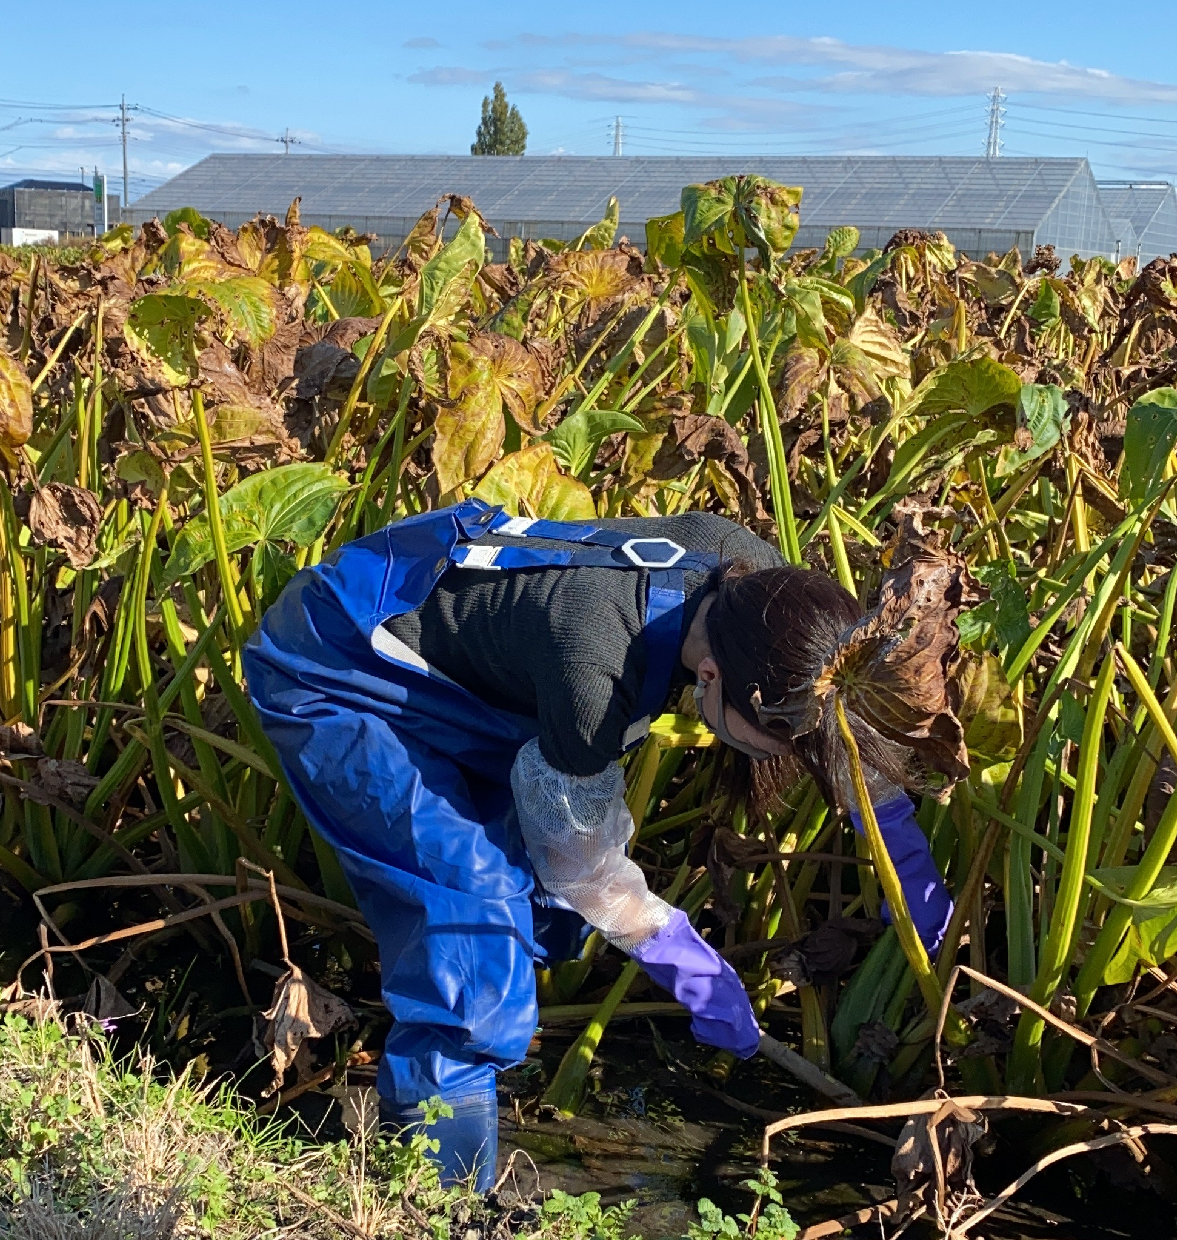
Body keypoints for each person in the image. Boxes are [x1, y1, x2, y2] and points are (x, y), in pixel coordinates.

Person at [244, 500, 952, 1190]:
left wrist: (903, 857)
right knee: (469, 910)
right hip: (340, 664)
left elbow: (837, 725)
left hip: (463, 665)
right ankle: (437, 1200)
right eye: (783, 743)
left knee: (541, 920)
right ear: (710, 679)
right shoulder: (597, 665)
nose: (794, 758)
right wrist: (673, 948)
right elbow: (580, 862)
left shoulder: (767, 599)